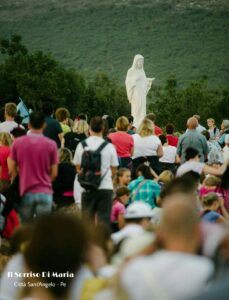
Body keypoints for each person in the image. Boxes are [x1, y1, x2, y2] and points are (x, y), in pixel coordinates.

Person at [120, 194, 214, 300]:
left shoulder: (137, 268)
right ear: (198, 232)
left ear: (160, 231)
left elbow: (115, 280)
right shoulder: (206, 271)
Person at [8, 111, 59, 223]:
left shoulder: (17, 143)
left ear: (29, 124)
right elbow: (54, 173)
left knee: (26, 228)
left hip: (26, 190)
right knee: (42, 229)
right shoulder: (51, 144)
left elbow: (11, 169)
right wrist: (45, 181)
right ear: (44, 125)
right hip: (45, 191)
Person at [74, 116, 119, 226]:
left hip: (87, 187)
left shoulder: (82, 145)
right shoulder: (109, 146)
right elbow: (114, 169)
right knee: (104, 221)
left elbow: (78, 167)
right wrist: (106, 177)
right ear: (103, 128)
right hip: (105, 187)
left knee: (87, 222)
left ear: (89, 128)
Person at [125, 54, 154, 128]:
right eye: (140, 62)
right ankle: (135, 123)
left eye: (142, 62)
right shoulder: (131, 71)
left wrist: (148, 81)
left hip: (142, 92)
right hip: (135, 92)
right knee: (137, 106)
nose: (141, 63)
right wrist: (135, 79)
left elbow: (143, 80)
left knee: (142, 107)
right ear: (136, 62)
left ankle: (141, 122)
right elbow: (128, 81)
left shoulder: (142, 71)